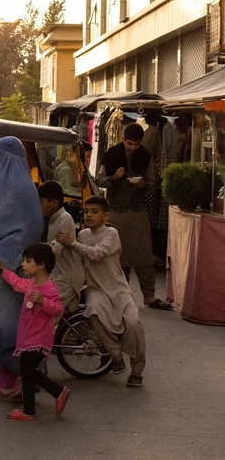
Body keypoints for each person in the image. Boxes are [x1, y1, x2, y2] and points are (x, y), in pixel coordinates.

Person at [0, 136, 43, 402]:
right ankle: (9, 384)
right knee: (6, 328)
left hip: (11, 271)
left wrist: (2, 254)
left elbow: (29, 228)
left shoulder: (21, 189)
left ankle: (28, 377)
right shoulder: (1, 183)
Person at [56, 195, 147, 388]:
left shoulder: (111, 233)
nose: (88, 215)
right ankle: (115, 354)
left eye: (94, 212)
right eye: (86, 211)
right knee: (93, 312)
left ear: (106, 216)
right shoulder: (82, 235)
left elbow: (97, 253)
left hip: (118, 288)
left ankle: (137, 369)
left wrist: (72, 243)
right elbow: (80, 261)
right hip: (95, 288)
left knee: (132, 323)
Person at [0, 243, 70, 420]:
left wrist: (43, 301)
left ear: (41, 265)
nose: (23, 264)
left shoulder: (48, 288)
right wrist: (3, 268)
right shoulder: (32, 283)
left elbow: (58, 310)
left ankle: (31, 408)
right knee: (28, 372)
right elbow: (17, 283)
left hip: (39, 339)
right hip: (28, 338)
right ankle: (51, 395)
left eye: (28, 261)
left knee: (27, 372)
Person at [97, 123, 171, 310]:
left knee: (144, 256)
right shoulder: (111, 155)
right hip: (116, 213)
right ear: (123, 139)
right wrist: (115, 177)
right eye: (130, 144)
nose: (133, 148)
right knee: (119, 258)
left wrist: (143, 184)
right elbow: (99, 180)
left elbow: (153, 182)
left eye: (136, 144)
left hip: (138, 212)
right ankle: (123, 295)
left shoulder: (145, 157)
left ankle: (149, 296)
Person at [38, 181, 85, 312]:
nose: (39, 206)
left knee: (47, 313)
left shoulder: (64, 218)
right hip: (59, 275)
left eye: (41, 202)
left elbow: (55, 249)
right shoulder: (52, 219)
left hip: (67, 277)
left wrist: (35, 251)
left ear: (54, 202)